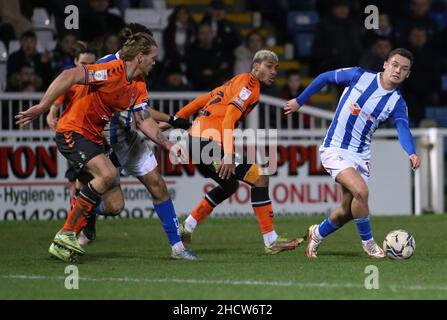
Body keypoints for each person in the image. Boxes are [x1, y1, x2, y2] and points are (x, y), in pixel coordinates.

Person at [15, 32, 191, 263]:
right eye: (153, 57)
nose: (155, 61)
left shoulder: (137, 84)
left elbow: (144, 120)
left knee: (115, 206)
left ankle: (78, 219)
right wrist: (44, 106)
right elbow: (71, 74)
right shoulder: (112, 69)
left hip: (94, 139)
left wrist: (169, 145)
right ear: (140, 57)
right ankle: (66, 234)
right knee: (107, 173)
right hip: (73, 131)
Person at [284, 48, 421, 258]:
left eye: (403, 69)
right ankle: (368, 243)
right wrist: (299, 101)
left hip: (361, 156)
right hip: (335, 148)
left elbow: (403, 127)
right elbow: (324, 77)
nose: (397, 71)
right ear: (385, 64)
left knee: (348, 211)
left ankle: (317, 233)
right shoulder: (359, 76)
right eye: (394, 65)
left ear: (407, 74)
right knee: (362, 192)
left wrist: (411, 152)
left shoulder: (397, 102)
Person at [168, 50, 302, 254]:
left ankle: (187, 227)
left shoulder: (235, 81)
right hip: (208, 142)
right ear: (255, 66)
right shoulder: (250, 85)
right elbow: (230, 117)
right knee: (259, 177)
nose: (273, 71)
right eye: (269, 66)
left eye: (276, 67)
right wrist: (229, 154)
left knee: (229, 185)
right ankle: (271, 241)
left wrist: (176, 118)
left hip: (196, 141)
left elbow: (204, 99)